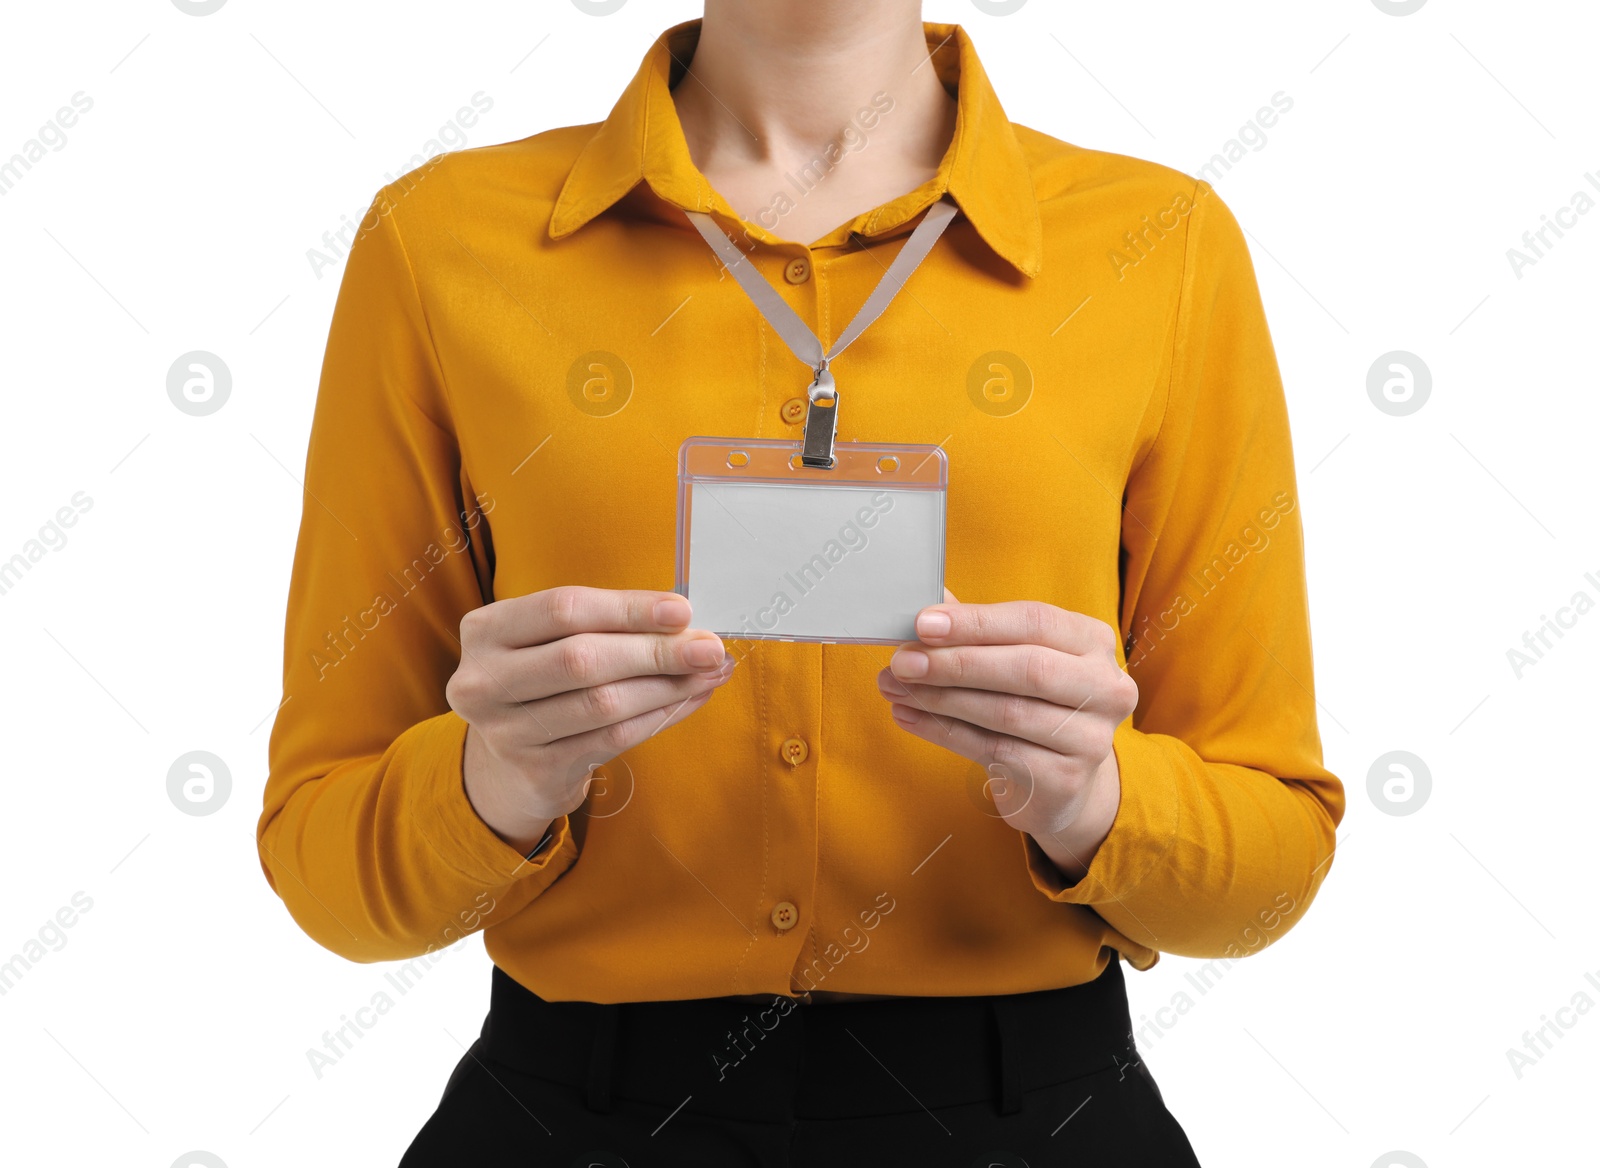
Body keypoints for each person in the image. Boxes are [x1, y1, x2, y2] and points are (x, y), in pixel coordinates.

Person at [256, 2, 1345, 1164]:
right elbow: (324, 864)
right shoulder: (437, 241)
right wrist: (494, 778)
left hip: (1038, 1113)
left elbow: (1270, 865)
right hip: (569, 1116)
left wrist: (1095, 802)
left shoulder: (1161, 245)